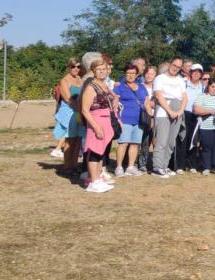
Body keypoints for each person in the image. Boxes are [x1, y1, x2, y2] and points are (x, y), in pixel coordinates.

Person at [80, 59, 117, 193]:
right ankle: (93, 181)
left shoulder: (104, 85)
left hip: (106, 120)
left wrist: (115, 100)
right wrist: (95, 126)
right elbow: (85, 110)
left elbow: (112, 97)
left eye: (104, 69)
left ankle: (98, 178)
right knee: (95, 151)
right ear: (94, 71)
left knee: (101, 152)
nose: (102, 72)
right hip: (96, 120)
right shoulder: (91, 87)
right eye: (99, 69)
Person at [152, 55, 187, 178]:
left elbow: (184, 97)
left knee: (171, 142)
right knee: (162, 140)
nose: (176, 68)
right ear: (169, 64)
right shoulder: (159, 78)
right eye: (174, 65)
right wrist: (170, 110)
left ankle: (164, 166)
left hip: (178, 112)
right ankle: (157, 167)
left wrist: (180, 111)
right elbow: (158, 96)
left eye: (178, 67)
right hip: (163, 111)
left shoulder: (180, 80)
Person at [113, 62, 151, 177]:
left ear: (137, 75)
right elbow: (115, 104)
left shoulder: (142, 87)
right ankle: (119, 167)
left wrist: (150, 118)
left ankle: (130, 166)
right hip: (125, 120)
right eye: (128, 73)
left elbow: (147, 103)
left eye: (133, 73)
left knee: (135, 143)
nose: (130, 75)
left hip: (139, 120)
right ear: (124, 74)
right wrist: (117, 119)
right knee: (123, 143)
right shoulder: (119, 88)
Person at [193, 79, 215, 175]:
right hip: (205, 127)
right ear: (208, 87)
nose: (214, 89)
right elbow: (196, 110)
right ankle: (206, 168)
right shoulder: (201, 96)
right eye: (212, 86)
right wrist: (211, 111)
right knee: (206, 148)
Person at [51, 58, 82, 158]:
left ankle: (74, 165)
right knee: (70, 140)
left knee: (78, 140)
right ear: (68, 67)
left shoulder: (79, 79)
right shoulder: (64, 81)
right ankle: (68, 167)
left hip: (79, 112)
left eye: (78, 66)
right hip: (69, 112)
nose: (76, 69)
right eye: (73, 66)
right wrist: (81, 109)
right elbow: (68, 99)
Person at [179, 64, 205, 173]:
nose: (196, 74)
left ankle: (192, 164)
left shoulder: (203, 87)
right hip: (184, 114)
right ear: (190, 72)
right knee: (182, 139)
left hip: (197, 116)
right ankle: (180, 165)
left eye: (199, 72)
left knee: (193, 140)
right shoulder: (184, 84)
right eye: (194, 71)